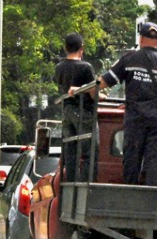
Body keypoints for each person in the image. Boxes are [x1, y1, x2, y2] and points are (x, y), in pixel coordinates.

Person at [71, 22, 157, 186]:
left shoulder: (129, 59)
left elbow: (104, 81)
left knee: (132, 158)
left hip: (135, 119)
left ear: (141, 38)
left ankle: (130, 192)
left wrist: (81, 89)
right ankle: (151, 194)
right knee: (154, 160)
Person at [54, 32, 103, 182]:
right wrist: (102, 95)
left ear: (65, 48)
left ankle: (70, 182)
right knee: (90, 151)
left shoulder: (59, 67)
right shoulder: (85, 67)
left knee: (71, 151)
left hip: (67, 112)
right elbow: (93, 93)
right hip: (84, 112)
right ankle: (87, 184)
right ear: (82, 48)